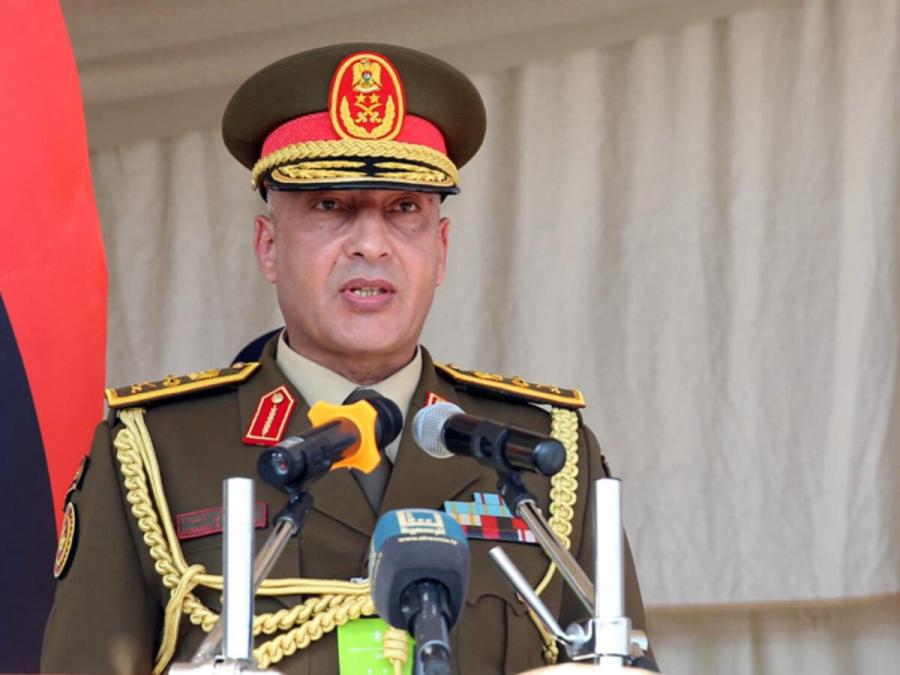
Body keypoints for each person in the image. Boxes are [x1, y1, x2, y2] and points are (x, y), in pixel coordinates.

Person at [42, 43, 650, 674]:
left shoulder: (540, 451)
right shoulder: (158, 450)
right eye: (330, 207)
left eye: (404, 209)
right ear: (268, 246)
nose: (371, 245)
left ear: (441, 249)